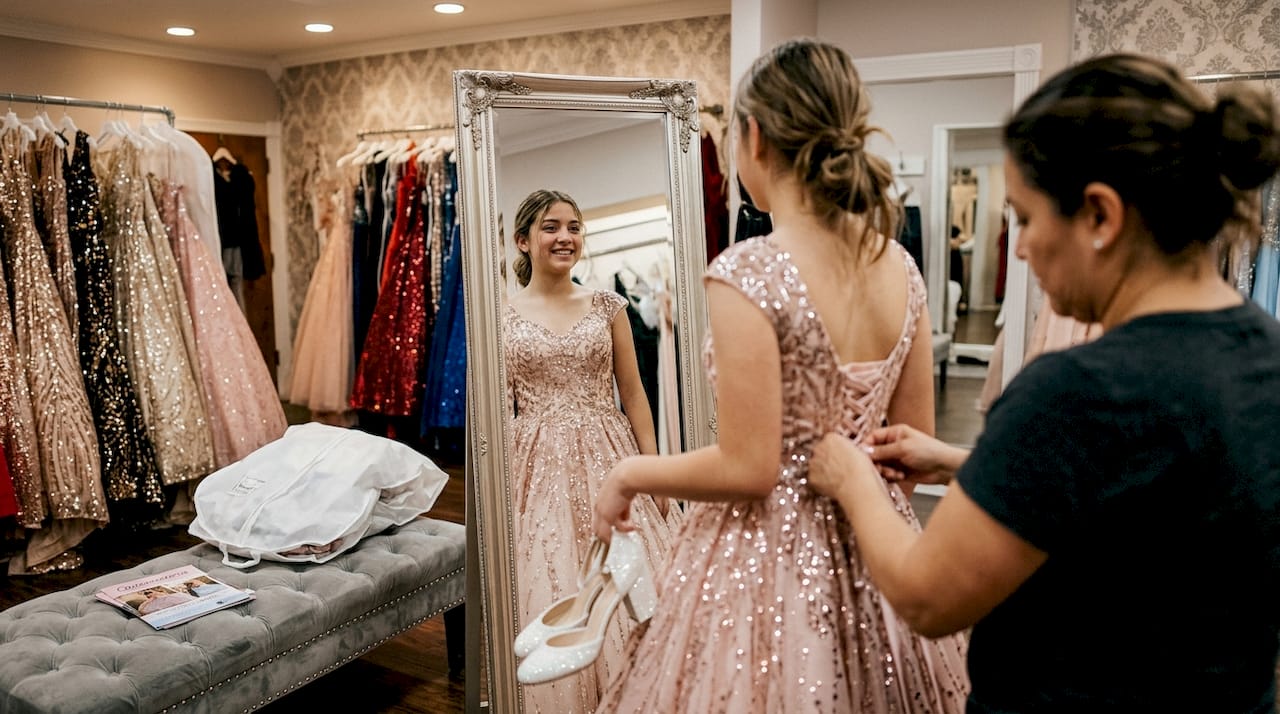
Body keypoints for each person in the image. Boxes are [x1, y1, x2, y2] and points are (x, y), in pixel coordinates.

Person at [808, 53, 1280, 714]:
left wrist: (850, 478)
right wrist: (961, 460)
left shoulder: (1078, 392)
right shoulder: (1265, 353)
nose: (1020, 248)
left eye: (1026, 219)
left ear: (1099, 216)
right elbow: (1150, 500)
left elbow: (926, 596)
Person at [591, 39, 969, 713]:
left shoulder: (749, 271)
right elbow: (909, 448)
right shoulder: (900, 268)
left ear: (754, 137)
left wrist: (627, 474)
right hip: (880, 541)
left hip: (764, 561)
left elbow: (751, 467)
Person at [504, 189, 682, 713]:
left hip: (609, 451)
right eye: (551, 227)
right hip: (534, 461)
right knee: (550, 571)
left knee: (634, 576)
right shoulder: (501, 315)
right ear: (523, 240)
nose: (566, 237)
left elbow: (633, 394)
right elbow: (493, 407)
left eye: (575, 227)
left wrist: (652, 471)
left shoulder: (608, 306)